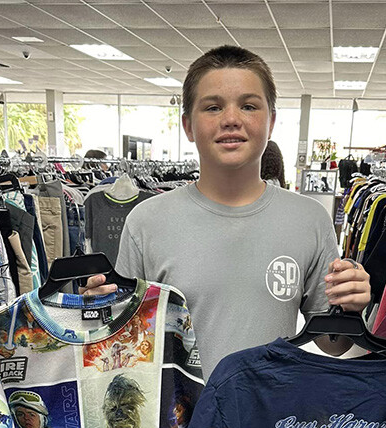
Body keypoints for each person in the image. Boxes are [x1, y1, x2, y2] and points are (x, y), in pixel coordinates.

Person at [82, 45, 371, 380]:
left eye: (248, 106)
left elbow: (331, 344)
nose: (231, 120)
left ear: (271, 121)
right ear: (188, 126)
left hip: (268, 412)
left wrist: (350, 307)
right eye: (213, 107)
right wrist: (97, 311)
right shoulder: (146, 222)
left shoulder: (309, 219)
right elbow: (124, 342)